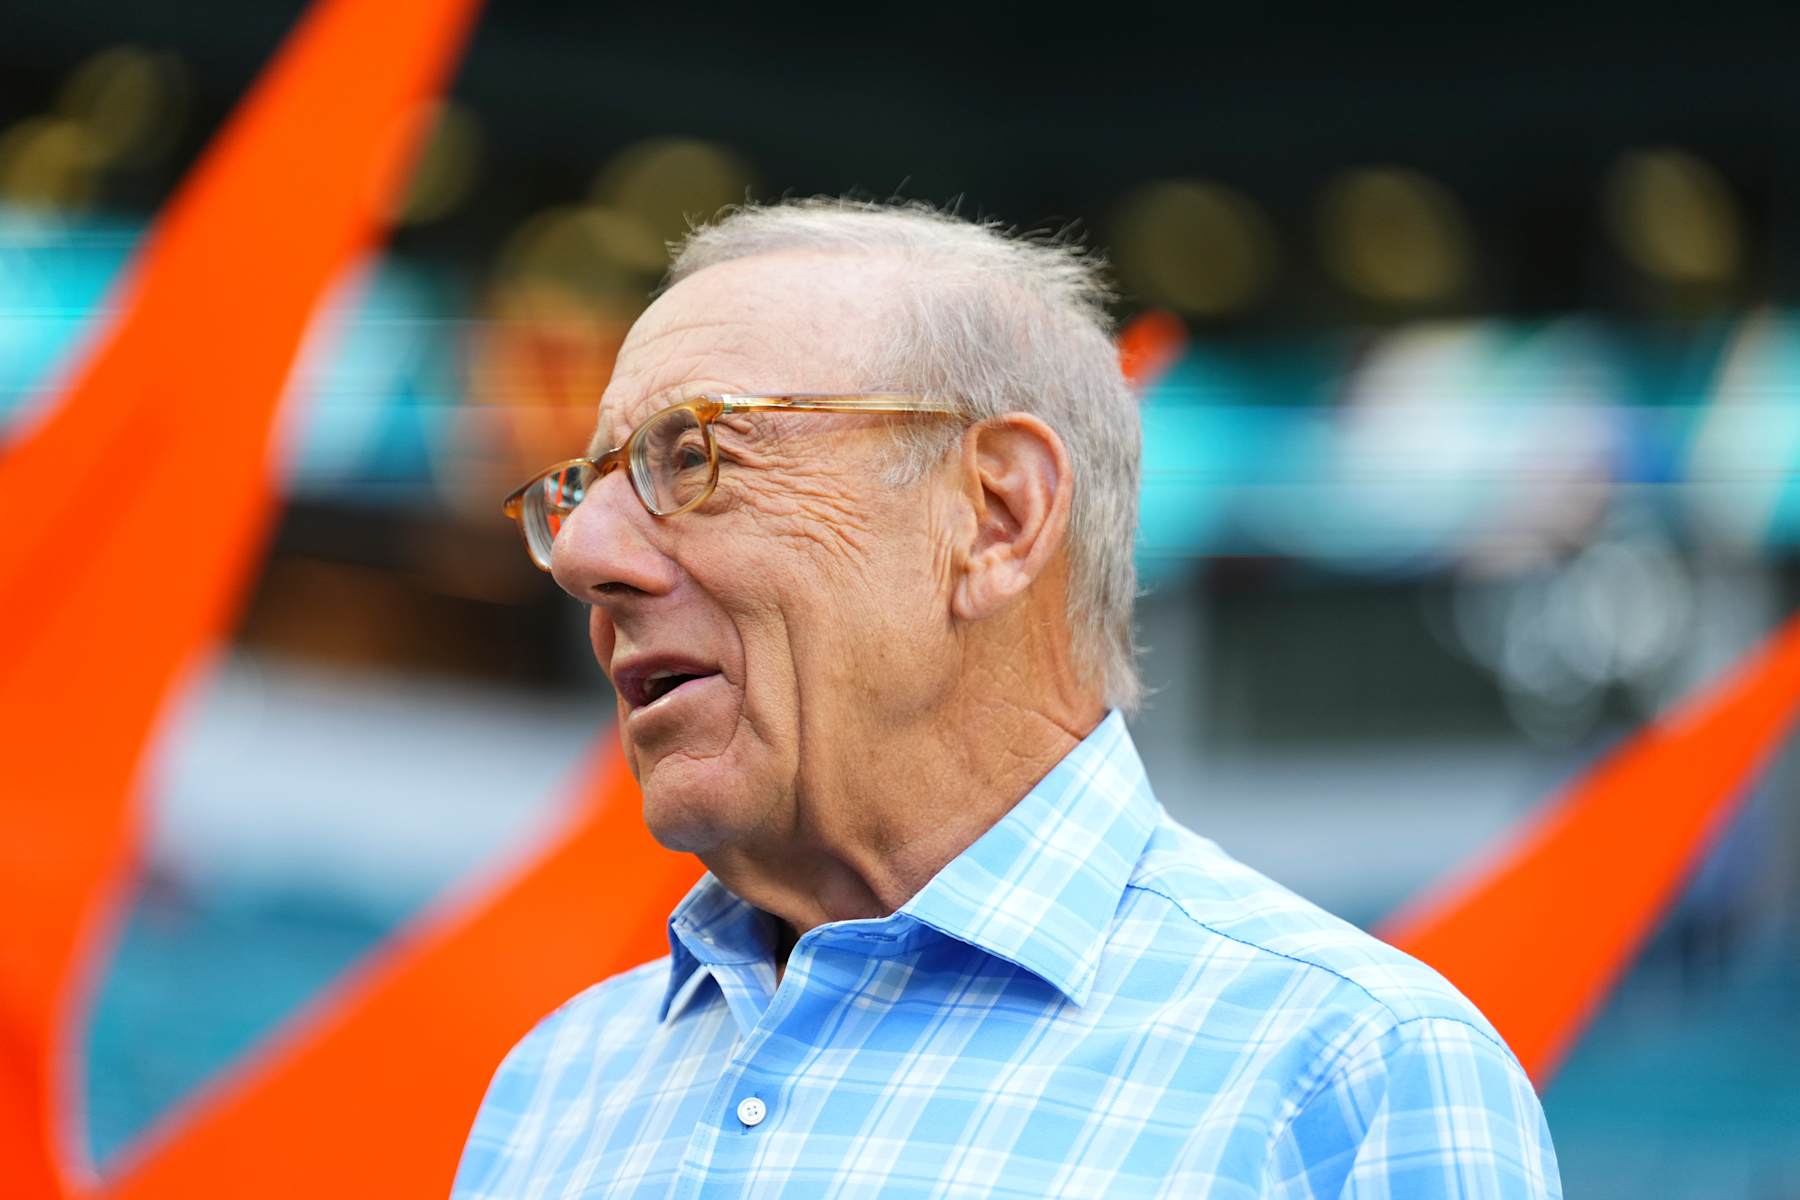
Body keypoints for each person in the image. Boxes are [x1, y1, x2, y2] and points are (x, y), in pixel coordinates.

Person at [453, 199, 1561, 1198]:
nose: (584, 553)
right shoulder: (553, 1093)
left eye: (690, 455)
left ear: (997, 518)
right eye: (578, 492)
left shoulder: (1353, 1077)